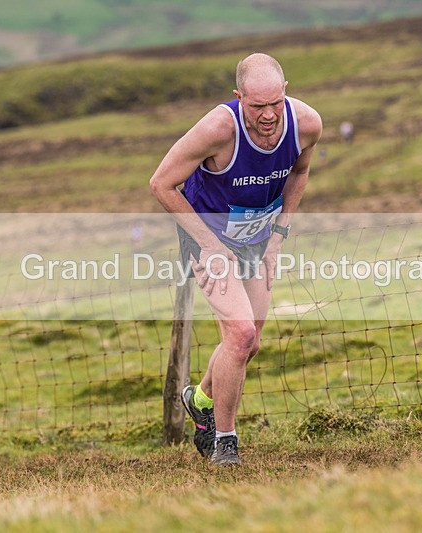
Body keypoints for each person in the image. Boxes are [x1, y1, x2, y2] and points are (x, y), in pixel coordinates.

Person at [149, 53, 322, 465]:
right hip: (207, 236)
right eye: (257, 106)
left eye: (275, 103)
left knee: (249, 343)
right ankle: (224, 442)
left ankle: (200, 399)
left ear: (286, 91)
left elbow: (299, 173)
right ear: (238, 96)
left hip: (257, 238)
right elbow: (161, 184)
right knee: (240, 334)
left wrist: (279, 236)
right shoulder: (217, 129)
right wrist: (209, 245)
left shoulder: (307, 124)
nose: (268, 115)